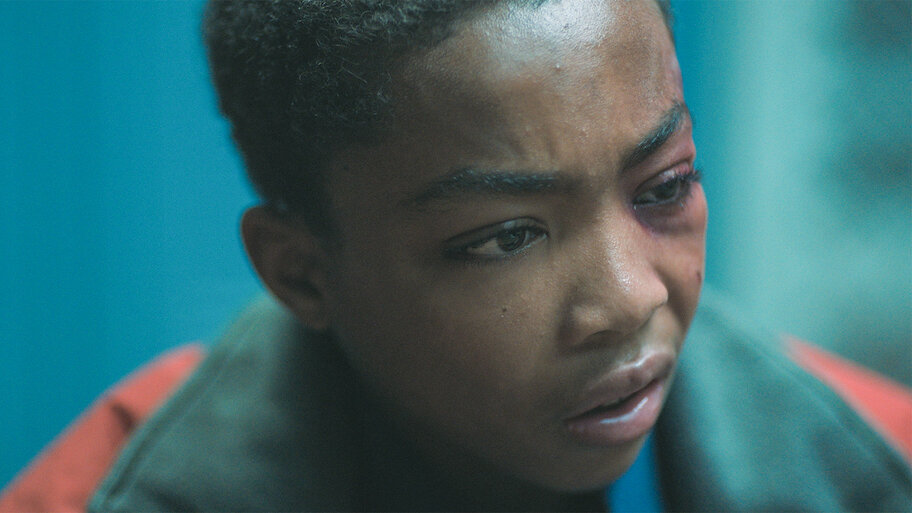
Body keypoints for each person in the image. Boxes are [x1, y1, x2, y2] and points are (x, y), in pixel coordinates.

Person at [1, 0, 910, 511]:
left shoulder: (874, 463)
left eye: (664, 186)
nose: (631, 299)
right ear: (301, 273)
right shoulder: (104, 495)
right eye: (506, 236)